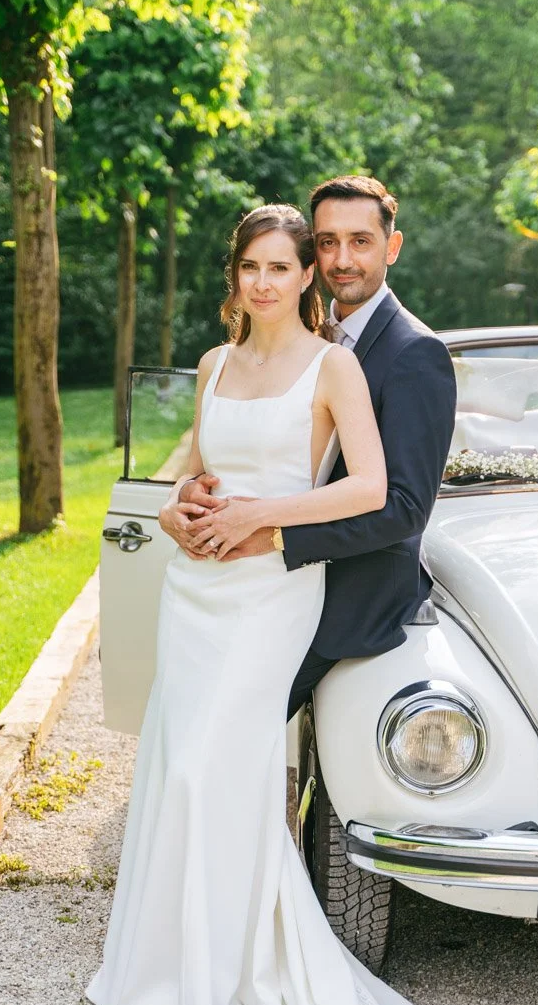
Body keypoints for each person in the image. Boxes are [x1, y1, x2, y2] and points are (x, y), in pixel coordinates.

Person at [85, 200, 538, 1005]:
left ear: (323, 270)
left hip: (281, 589)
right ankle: (159, 964)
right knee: (176, 761)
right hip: (203, 584)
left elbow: (390, 500)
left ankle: (230, 968)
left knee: (214, 769)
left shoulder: (366, 359)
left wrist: (264, 522)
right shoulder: (214, 366)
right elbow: (199, 459)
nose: (278, 277)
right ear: (237, 275)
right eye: (261, 264)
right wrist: (189, 501)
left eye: (294, 262)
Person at [165, 176, 457, 723]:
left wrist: (273, 537)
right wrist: (183, 498)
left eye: (361, 241)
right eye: (327, 242)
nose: (342, 259)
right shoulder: (313, 343)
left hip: (349, 600)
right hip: (256, 582)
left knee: (234, 728)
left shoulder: (415, 353)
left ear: (392, 247)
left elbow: (404, 509)